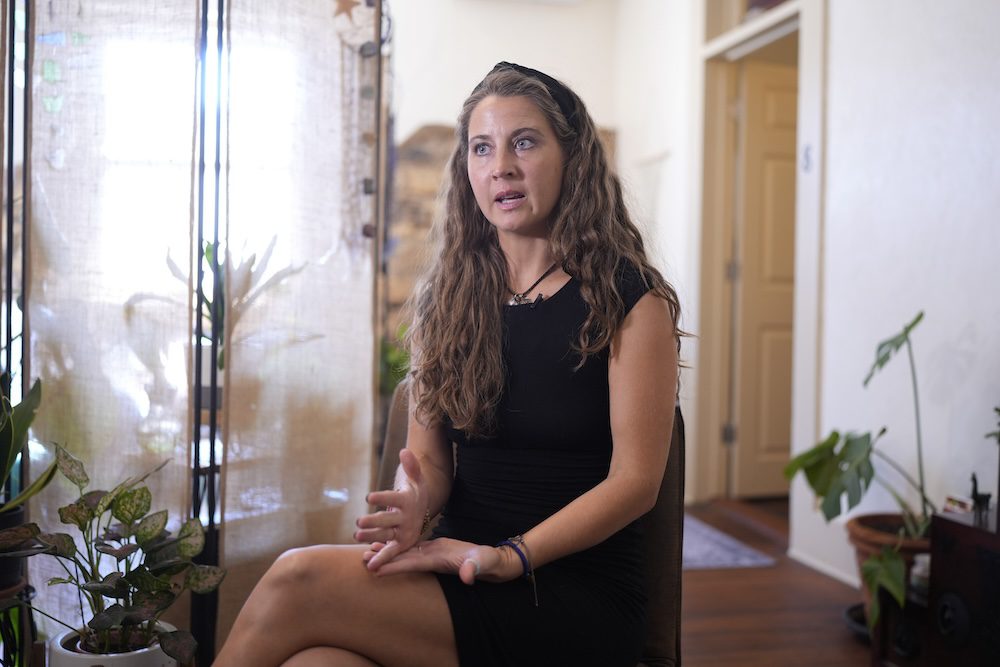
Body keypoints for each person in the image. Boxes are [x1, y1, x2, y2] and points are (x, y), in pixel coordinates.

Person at [213, 61, 681, 667]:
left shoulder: (630, 300)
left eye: (525, 142)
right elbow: (429, 461)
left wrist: (511, 555)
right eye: (482, 148)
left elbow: (636, 483)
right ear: (467, 170)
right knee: (316, 664)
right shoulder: (451, 299)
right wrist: (417, 501)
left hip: (569, 593)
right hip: (457, 566)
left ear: (572, 157)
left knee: (296, 579)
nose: (501, 167)